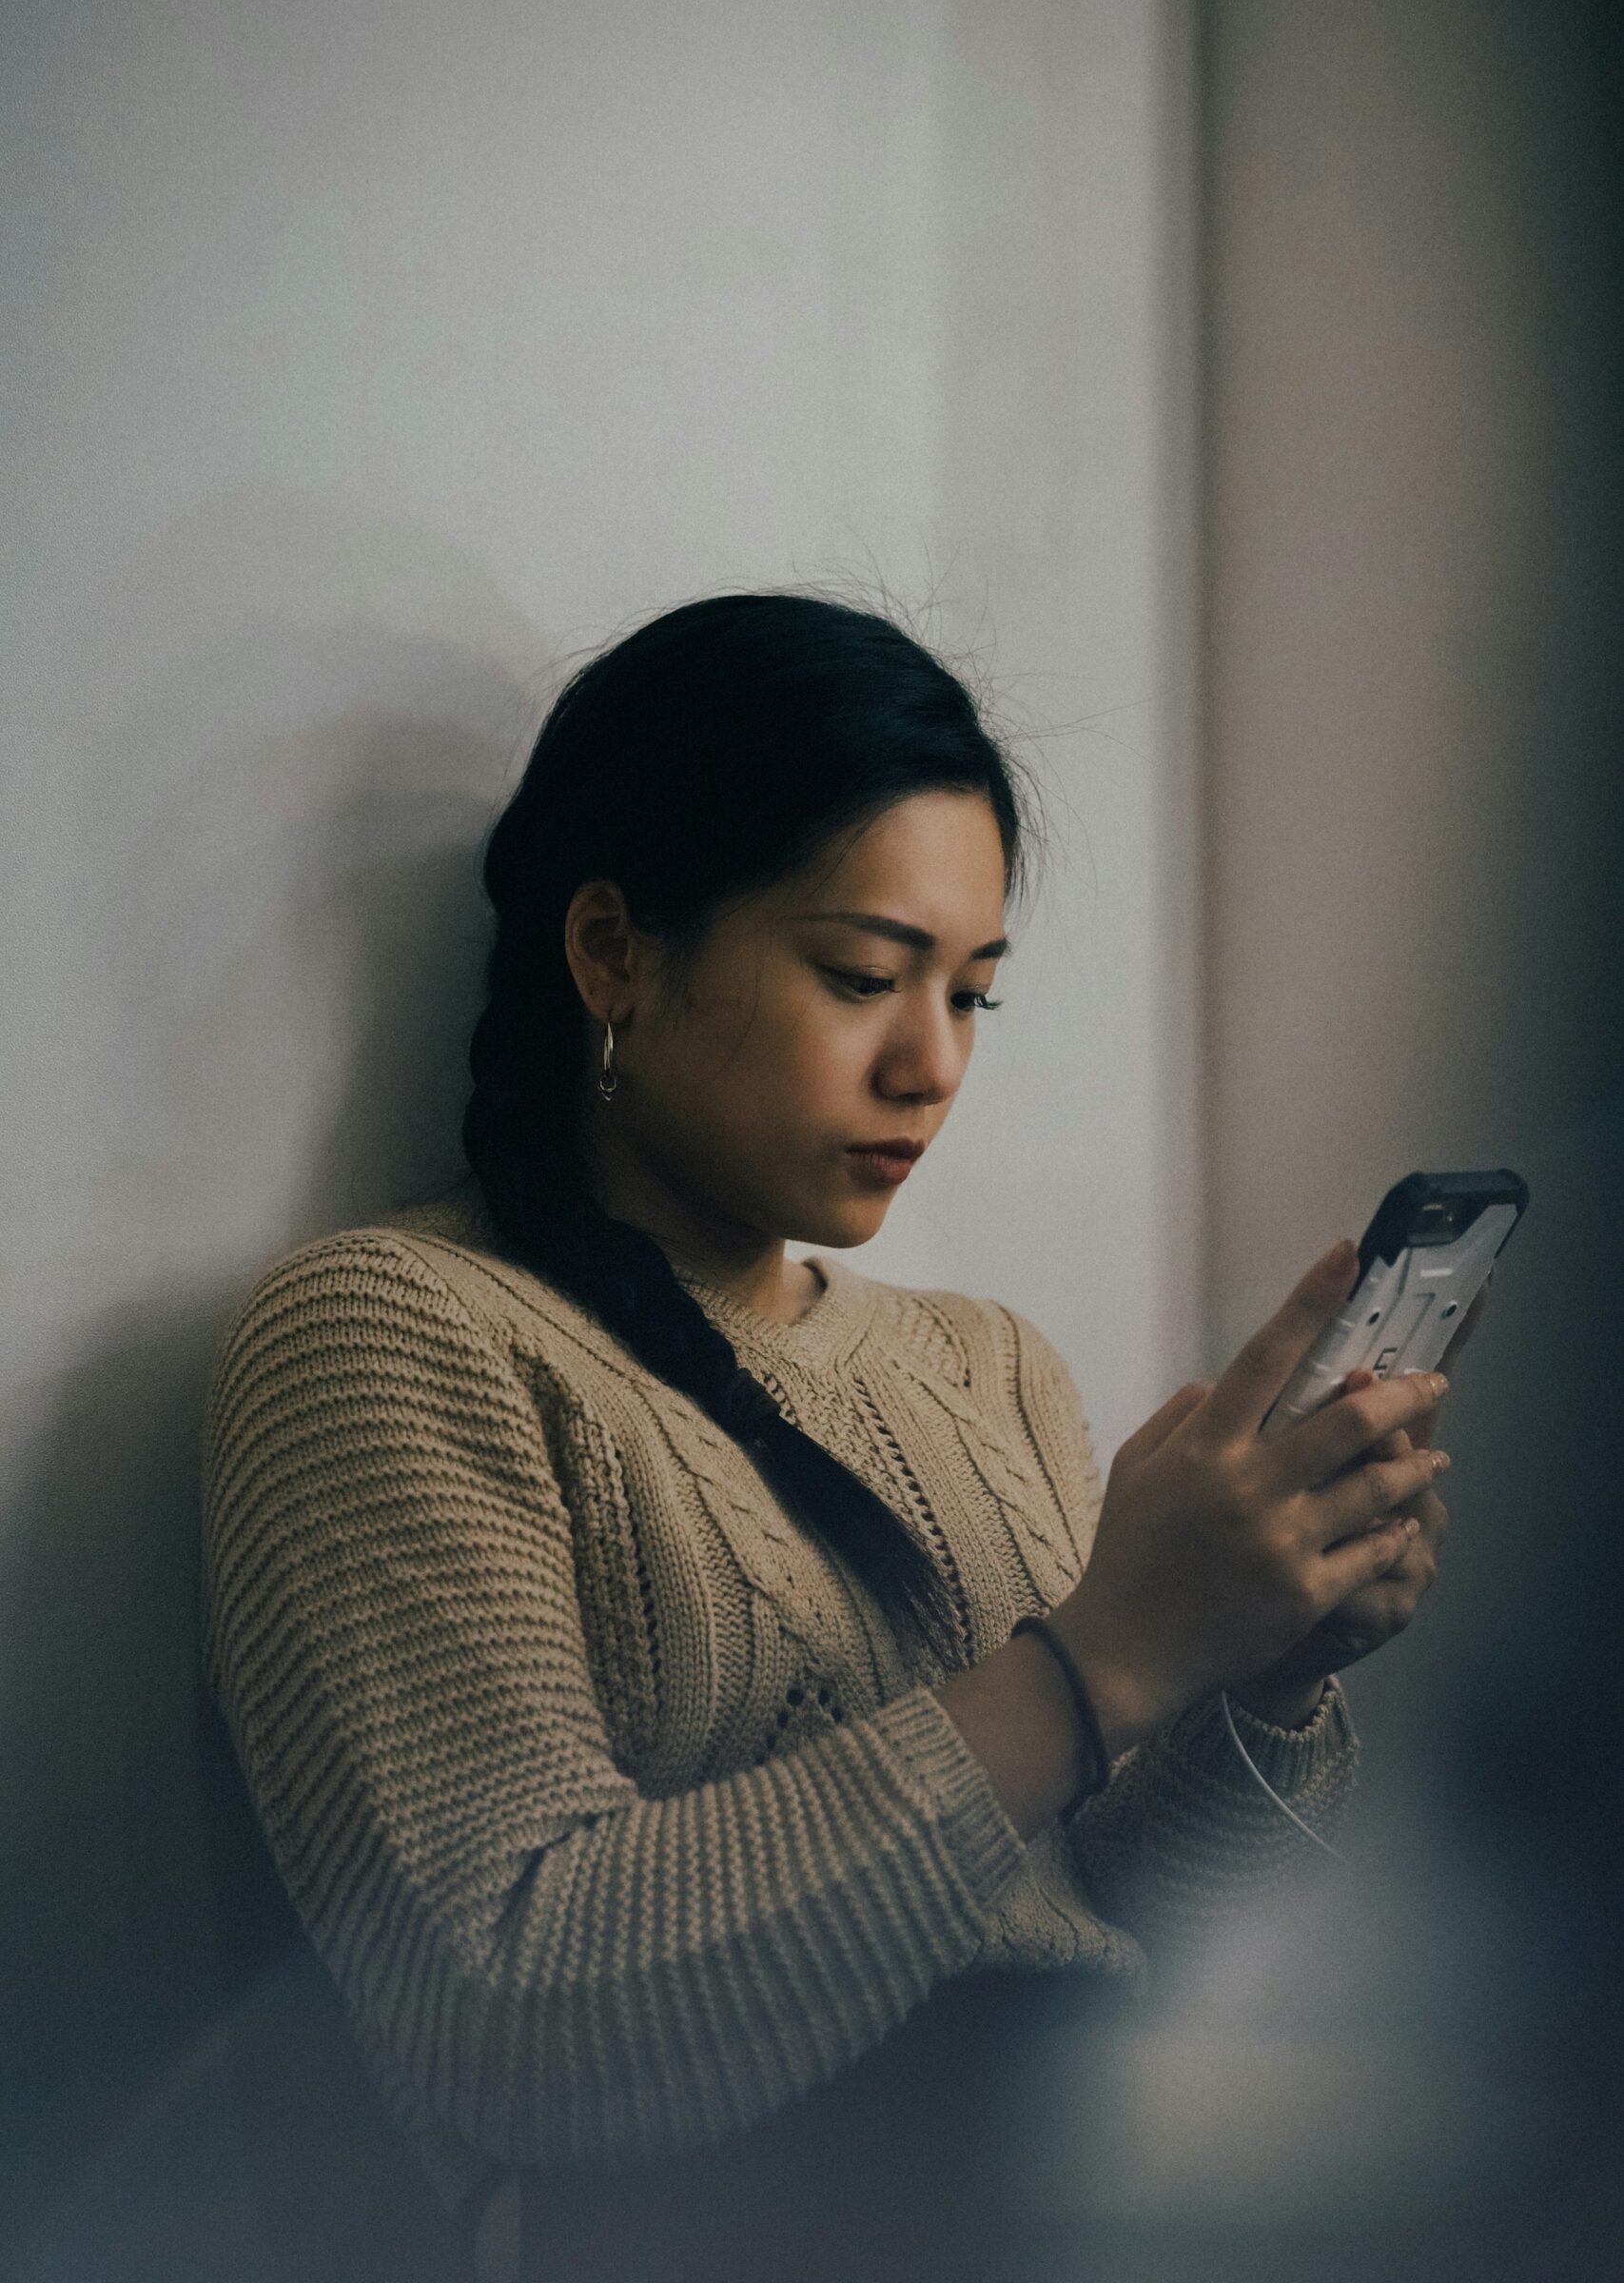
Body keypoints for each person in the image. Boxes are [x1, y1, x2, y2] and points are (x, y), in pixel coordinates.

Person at [200, 592, 1463, 2282]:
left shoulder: (988, 1368)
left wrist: (1254, 1668)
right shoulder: (397, 1336)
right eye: (864, 976)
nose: (930, 1064)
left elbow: (1124, 1932)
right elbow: (511, 2017)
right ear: (613, 956)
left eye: (974, 998)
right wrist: (1097, 1663)